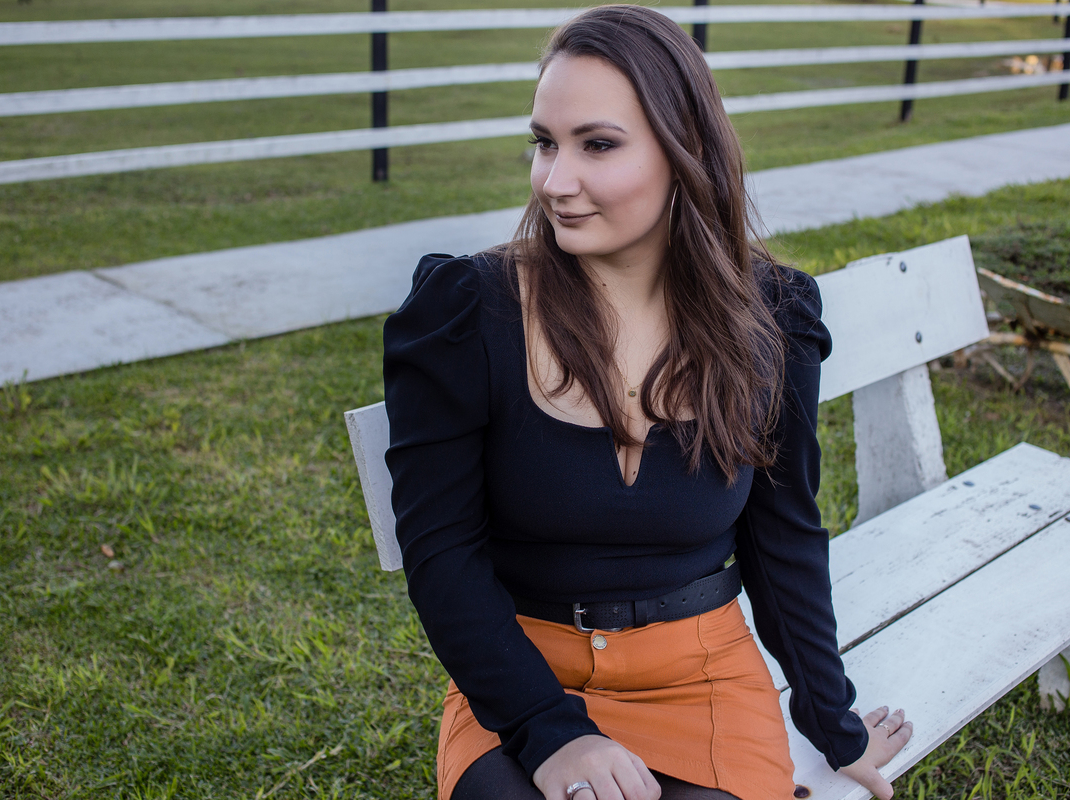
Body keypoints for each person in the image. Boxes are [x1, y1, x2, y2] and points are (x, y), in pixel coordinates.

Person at [382, 6, 912, 800]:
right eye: (544, 143)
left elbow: (784, 535)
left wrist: (832, 722)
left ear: (685, 149)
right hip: (523, 679)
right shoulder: (468, 311)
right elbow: (442, 553)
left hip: (701, 677)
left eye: (597, 145)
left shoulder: (772, 317)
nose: (555, 181)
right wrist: (550, 733)